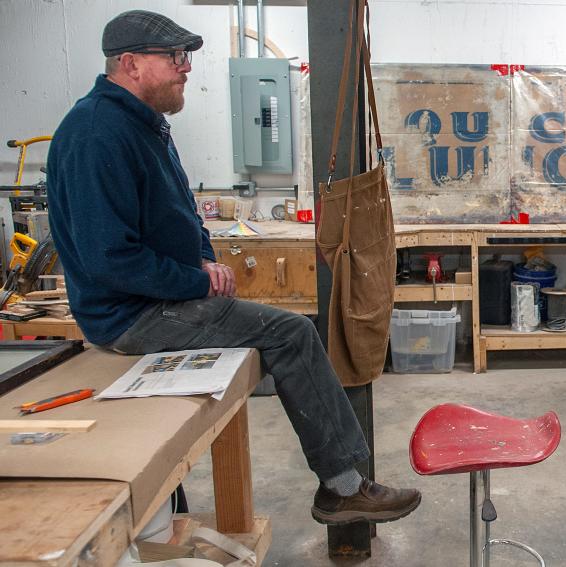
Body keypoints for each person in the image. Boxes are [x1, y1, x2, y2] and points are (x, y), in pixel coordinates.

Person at [46, 10, 420, 527]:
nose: (186, 68)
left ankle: (341, 482)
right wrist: (197, 280)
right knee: (291, 333)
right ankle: (342, 488)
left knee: (279, 333)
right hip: (133, 314)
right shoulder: (97, 134)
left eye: (188, 57)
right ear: (130, 64)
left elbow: (176, 209)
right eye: (174, 57)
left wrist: (200, 257)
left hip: (161, 298)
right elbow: (107, 257)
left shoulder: (141, 124)